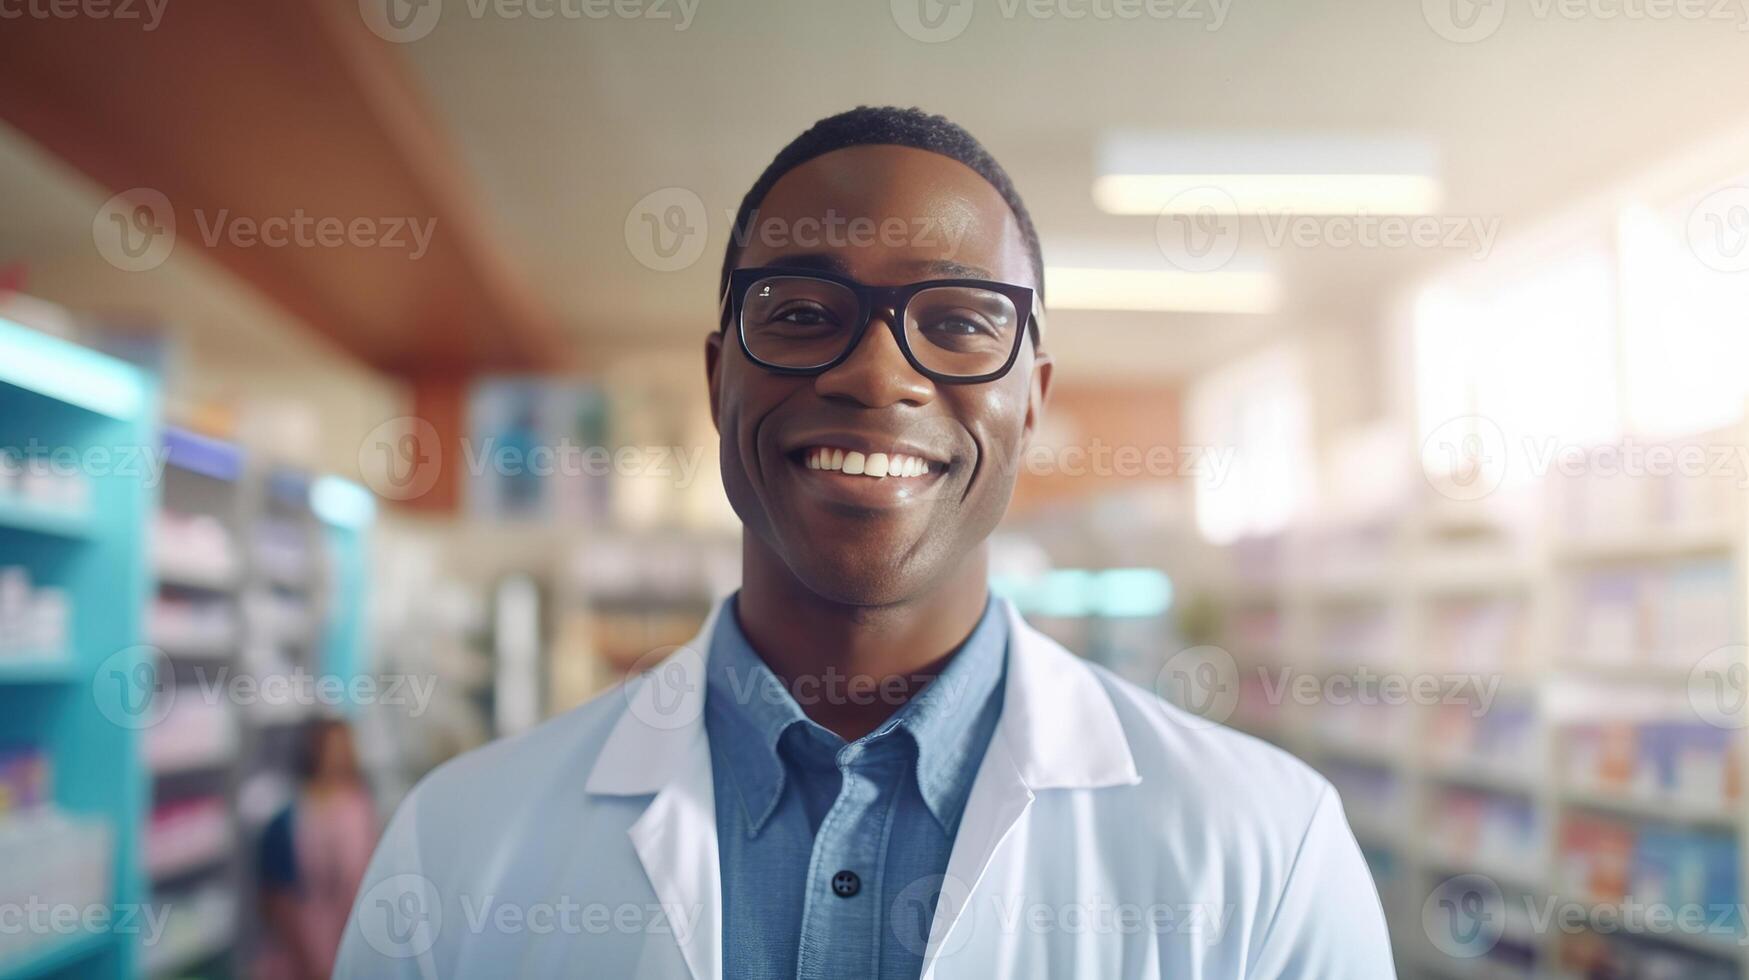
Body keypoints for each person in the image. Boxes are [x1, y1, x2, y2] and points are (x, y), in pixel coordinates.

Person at [335, 106, 1396, 979]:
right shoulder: (463, 845)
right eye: (800, 311)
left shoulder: (1266, 847)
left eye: (961, 320)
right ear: (718, 380)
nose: (878, 373)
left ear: (1032, 400)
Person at [258, 716, 378, 980]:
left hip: (351, 941)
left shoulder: (359, 809)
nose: (337, 756)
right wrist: (312, 961)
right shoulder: (287, 821)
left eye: (342, 747)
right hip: (302, 956)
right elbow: (278, 900)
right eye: (330, 747)